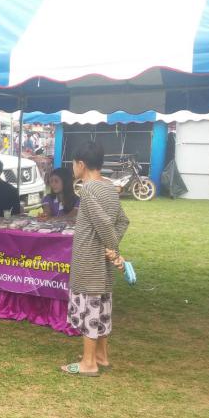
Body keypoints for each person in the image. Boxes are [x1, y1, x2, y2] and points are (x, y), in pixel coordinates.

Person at [61, 141, 130, 377]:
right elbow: (122, 221)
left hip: (89, 259)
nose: (73, 168)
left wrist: (113, 249)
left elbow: (103, 223)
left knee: (89, 308)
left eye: (73, 163)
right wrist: (110, 249)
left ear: (81, 164)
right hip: (102, 260)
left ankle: (89, 363)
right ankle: (101, 355)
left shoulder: (88, 189)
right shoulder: (110, 187)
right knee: (101, 305)